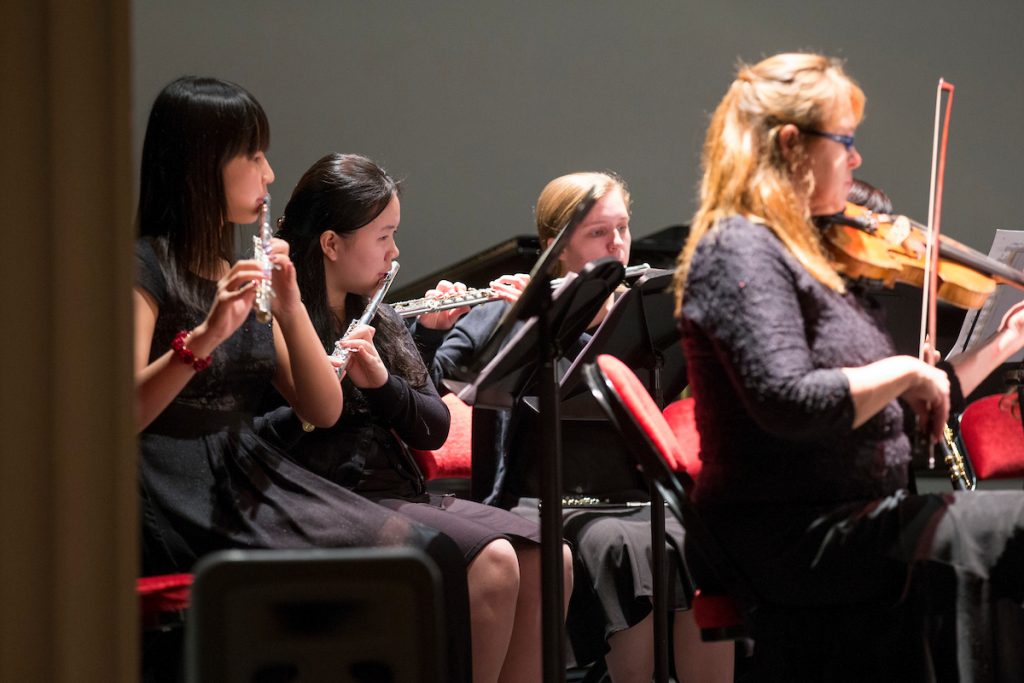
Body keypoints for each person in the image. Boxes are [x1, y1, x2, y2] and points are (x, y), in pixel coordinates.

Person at [673, 52, 1024, 679]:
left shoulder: (813, 259)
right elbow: (789, 401)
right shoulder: (739, 248)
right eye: (845, 141)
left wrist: (999, 345)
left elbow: (908, 403)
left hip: (854, 515)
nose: (856, 159)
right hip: (795, 535)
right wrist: (902, 373)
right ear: (791, 144)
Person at [134, 78, 472, 681]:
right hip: (174, 483)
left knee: (433, 556)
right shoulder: (145, 267)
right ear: (204, 164)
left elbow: (324, 405)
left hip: (245, 473)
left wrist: (288, 304)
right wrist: (206, 338)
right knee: (410, 561)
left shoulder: (239, 271)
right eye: (253, 156)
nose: (268, 175)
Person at [262, 152, 571, 683]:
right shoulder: (281, 315)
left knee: (553, 559)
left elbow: (433, 426)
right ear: (332, 244)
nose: (395, 252)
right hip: (327, 498)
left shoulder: (376, 315)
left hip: (396, 490)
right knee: (495, 563)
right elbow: (286, 429)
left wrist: (383, 381)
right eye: (383, 236)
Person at [415, 172, 733, 682]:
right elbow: (433, 387)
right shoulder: (516, 311)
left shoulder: (645, 313)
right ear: (555, 248)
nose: (617, 244)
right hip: (540, 497)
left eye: (623, 228)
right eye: (597, 233)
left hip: (635, 494)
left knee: (704, 541)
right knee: (622, 547)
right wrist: (515, 323)